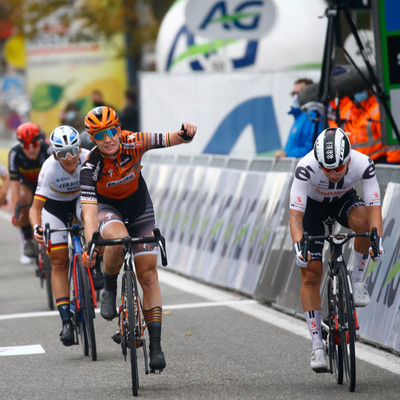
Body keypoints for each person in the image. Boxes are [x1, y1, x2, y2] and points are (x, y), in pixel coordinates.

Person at [80, 106, 197, 372]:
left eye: (112, 131)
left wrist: (186, 133)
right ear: (93, 139)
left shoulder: (135, 141)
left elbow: (171, 138)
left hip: (139, 206)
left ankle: (155, 345)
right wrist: (91, 245)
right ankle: (109, 285)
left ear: (119, 129)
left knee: (148, 275)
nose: (108, 138)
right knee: (118, 240)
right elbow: (89, 214)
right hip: (108, 209)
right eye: (100, 135)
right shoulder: (90, 166)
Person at [289, 127, 384, 372]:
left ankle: (358, 280)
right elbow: (295, 216)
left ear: (348, 159)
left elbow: (374, 210)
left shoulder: (363, 163)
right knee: (311, 274)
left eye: (339, 168)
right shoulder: (306, 166)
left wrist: (376, 240)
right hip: (312, 209)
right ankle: (318, 346)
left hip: (344, 200)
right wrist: (299, 244)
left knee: (364, 223)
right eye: (327, 169)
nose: (332, 174)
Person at [29, 125, 104, 346]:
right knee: (59, 261)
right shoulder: (49, 168)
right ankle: (66, 322)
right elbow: (35, 208)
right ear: (54, 154)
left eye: (73, 151)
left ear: (79, 147)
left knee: (95, 220)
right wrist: (36, 228)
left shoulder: (88, 158)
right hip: (54, 207)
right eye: (62, 154)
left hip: (81, 199)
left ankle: (96, 263)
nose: (70, 158)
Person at [8, 122, 52, 264]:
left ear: (40, 141)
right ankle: (27, 239)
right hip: (26, 184)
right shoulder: (15, 153)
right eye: (26, 145)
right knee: (23, 199)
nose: (31, 149)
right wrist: (17, 209)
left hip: (46, 184)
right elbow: (14, 186)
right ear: (21, 145)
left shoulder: (47, 150)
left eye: (34, 143)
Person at [330, 88, 387, 164]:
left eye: (360, 91)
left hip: (379, 161)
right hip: (358, 163)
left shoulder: (377, 111)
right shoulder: (349, 113)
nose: (356, 94)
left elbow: (387, 143)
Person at [275, 78, 322, 160]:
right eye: (293, 94)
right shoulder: (300, 117)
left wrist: (287, 155)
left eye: (299, 93)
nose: (295, 97)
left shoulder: (313, 116)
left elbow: (312, 149)